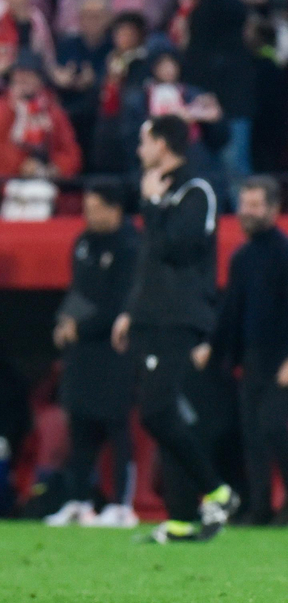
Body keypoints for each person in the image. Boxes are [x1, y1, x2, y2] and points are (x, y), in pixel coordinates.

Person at [110, 115, 239, 542]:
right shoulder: (161, 189)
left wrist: (152, 205)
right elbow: (149, 260)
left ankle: (218, 491)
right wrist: (131, 310)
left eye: (144, 141)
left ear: (163, 144)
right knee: (164, 415)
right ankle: (182, 520)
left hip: (179, 316)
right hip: (151, 315)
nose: (139, 150)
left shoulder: (196, 190)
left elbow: (179, 249)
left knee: (158, 411)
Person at [193, 175, 288, 524]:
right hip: (251, 358)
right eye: (244, 204)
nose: (246, 212)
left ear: (274, 209)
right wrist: (213, 347)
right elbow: (231, 311)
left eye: (254, 205)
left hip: (280, 359)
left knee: (276, 429)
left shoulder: (284, 254)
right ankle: (260, 507)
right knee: (252, 436)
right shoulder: (242, 257)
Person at [48, 179, 140, 527]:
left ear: (115, 209)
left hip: (114, 349)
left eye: (96, 209)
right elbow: (78, 290)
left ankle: (121, 505)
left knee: (116, 426)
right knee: (79, 426)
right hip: (81, 353)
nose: (90, 215)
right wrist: (65, 321)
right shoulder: (83, 243)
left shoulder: (132, 246)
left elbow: (122, 301)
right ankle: (79, 501)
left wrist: (82, 327)